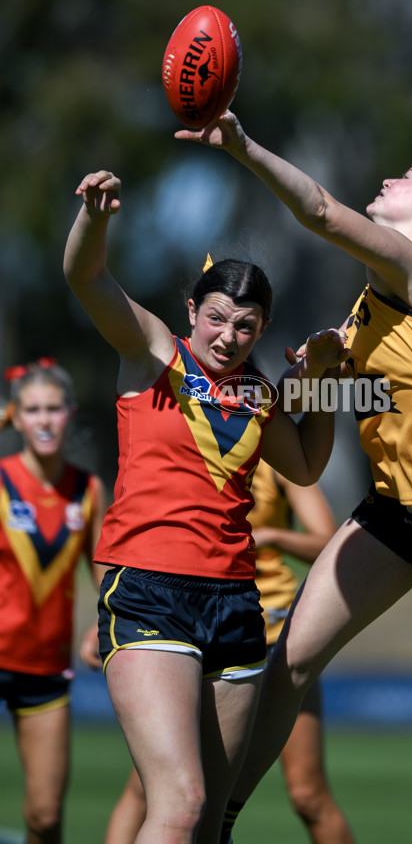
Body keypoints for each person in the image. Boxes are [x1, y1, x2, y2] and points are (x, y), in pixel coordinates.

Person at [174, 114, 412, 844]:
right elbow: (378, 399)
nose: (388, 181)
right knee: (289, 664)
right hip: (398, 513)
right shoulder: (375, 299)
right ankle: (214, 828)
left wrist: (242, 146)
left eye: (407, 179)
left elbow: (316, 210)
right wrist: (302, 386)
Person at [63, 169, 348, 844]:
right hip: (149, 592)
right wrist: (95, 220)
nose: (227, 335)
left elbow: (305, 464)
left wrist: (324, 387)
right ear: (193, 310)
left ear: (262, 328)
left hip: (235, 605)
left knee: (212, 824)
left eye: (244, 325)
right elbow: (88, 281)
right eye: (216, 317)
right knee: (181, 802)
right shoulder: (154, 352)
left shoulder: (257, 393)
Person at [88, 459, 355, 844]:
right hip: (183, 622)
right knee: (161, 795)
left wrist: (270, 536)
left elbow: (326, 541)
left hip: (267, 630)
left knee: (306, 795)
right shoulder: (195, 441)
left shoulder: (276, 452)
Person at [0, 359, 106, 844]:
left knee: (45, 818)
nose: (44, 420)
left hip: (45, 667)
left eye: (54, 409)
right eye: (32, 410)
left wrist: (100, 626)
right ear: (15, 417)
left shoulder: (87, 490)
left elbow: (105, 575)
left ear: (70, 413)